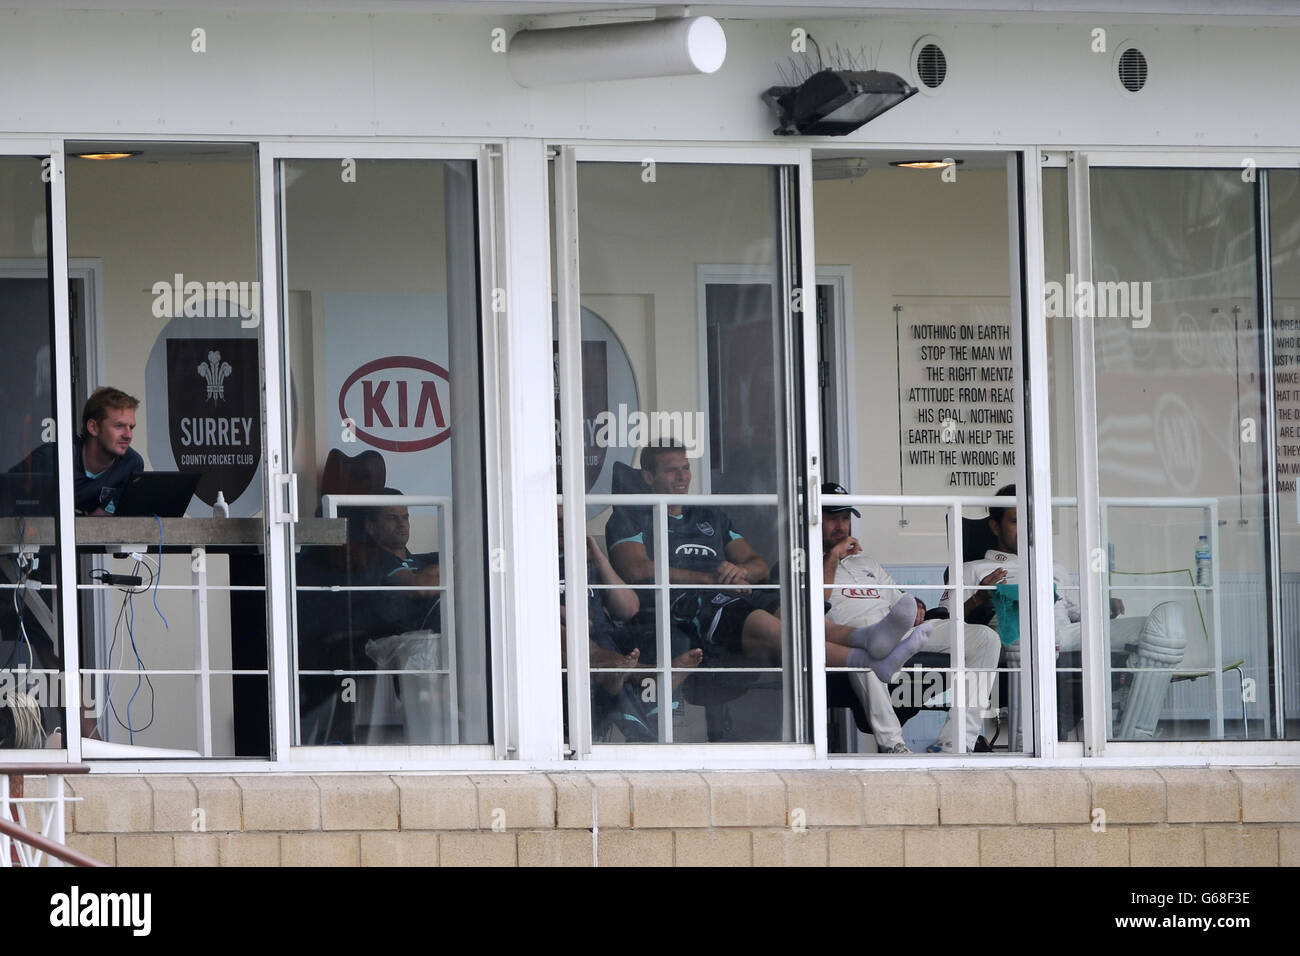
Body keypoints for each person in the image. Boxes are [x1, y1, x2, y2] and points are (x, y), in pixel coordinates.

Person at [606, 444, 926, 684]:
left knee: (795, 615)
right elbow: (637, 569)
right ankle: (867, 661)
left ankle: (868, 639)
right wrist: (708, 578)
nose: (682, 477)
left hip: (732, 590)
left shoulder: (709, 514)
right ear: (648, 477)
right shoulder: (628, 514)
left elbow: (756, 562)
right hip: (684, 603)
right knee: (767, 623)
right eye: (671, 470)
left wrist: (741, 571)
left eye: (685, 468)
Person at [946, 484, 1186, 739]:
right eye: (1016, 521)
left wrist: (1105, 607)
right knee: (1026, 622)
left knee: (1165, 626)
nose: (1028, 528)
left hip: (1066, 637)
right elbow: (944, 620)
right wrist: (981, 596)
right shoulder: (973, 569)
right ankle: (1027, 742)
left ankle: (1134, 740)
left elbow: (1079, 613)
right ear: (995, 527)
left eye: (1032, 520)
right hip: (1015, 643)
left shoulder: (1053, 568)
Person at [824, 482, 1001, 754]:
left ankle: (956, 743)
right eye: (832, 518)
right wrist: (833, 556)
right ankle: (893, 744)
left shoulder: (866, 562)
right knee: (866, 640)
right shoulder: (806, 563)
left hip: (897, 633)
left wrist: (917, 606)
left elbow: (899, 600)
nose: (841, 526)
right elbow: (815, 608)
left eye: (845, 518)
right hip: (857, 635)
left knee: (985, 638)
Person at [20, 387, 144, 515]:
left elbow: (102, 520)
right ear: (93, 427)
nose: (128, 435)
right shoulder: (53, 458)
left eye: (131, 427)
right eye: (119, 426)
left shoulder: (131, 464)